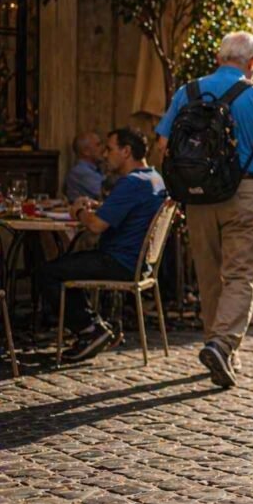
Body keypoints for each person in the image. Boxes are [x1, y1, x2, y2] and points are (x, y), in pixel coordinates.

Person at [156, 32, 253, 389]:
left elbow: (162, 145)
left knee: (208, 274)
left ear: (218, 58)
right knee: (242, 274)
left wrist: (178, 188)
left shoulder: (186, 92)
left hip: (198, 200)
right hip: (244, 193)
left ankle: (220, 350)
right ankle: (221, 343)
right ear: (252, 64)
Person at [37, 128, 166, 362]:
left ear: (126, 152)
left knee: (48, 272)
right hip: (140, 262)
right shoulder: (154, 178)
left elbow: (96, 226)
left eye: (110, 149)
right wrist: (99, 206)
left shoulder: (132, 182)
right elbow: (126, 212)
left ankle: (90, 329)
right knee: (68, 264)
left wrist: (78, 211)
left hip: (119, 262)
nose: (105, 155)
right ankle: (98, 327)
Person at [65, 131, 104, 201]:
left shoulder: (94, 169)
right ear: (86, 152)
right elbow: (111, 193)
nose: (103, 148)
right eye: (98, 145)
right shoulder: (80, 172)